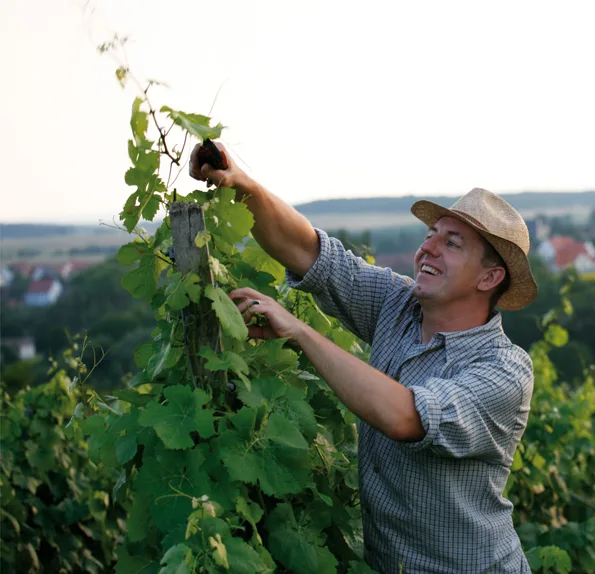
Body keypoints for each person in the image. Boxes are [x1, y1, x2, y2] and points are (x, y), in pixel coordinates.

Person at [190, 142, 539, 574]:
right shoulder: (398, 304)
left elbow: (406, 417)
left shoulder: (504, 371)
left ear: (490, 277)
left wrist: (301, 332)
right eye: (430, 235)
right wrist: (242, 184)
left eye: (452, 243)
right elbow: (311, 253)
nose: (428, 248)